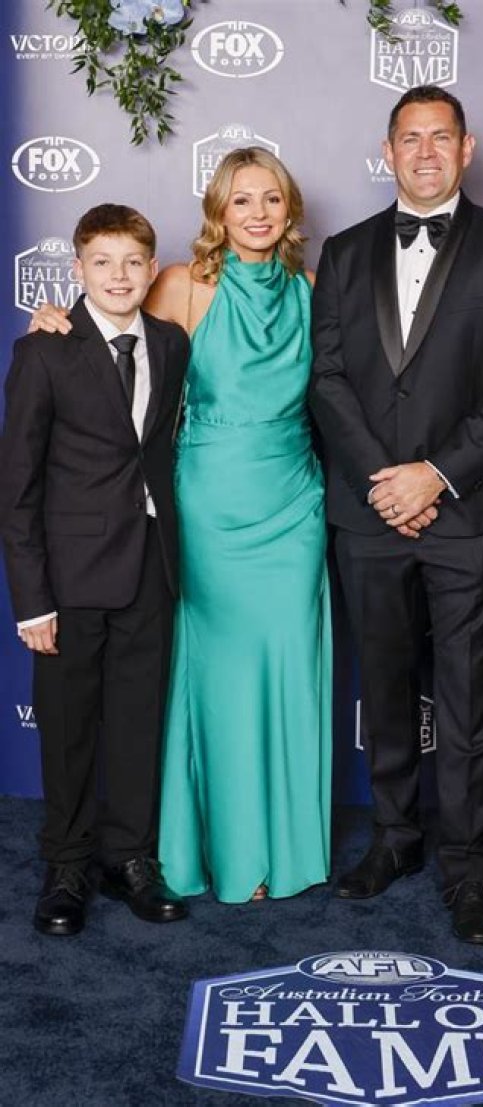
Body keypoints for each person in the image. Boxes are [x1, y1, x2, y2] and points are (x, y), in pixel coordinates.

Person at [26, 148, 332, 906]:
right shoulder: (179, 285)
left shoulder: (310, 291)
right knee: (218, 680)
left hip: (292, 506)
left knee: (286, 670)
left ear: (290, 210)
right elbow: (112, 357)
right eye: (240, 199)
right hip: (205, 510)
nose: (257, 213)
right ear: (217, 210)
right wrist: (55, 324)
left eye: (270, 199)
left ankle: (280, 850)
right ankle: (218, 849)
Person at [309, 85, 483, 944]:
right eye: (409, 138)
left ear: (467, 147)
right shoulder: (343, 251)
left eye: (439, 137)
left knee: (467, 695)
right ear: (387, 152)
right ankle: (395, 838)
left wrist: (436, 476)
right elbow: (328, 376)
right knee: (383, 686)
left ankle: (468, 865)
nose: (424, 152)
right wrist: (387, 480)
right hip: (369, 508)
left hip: (469, 512)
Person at [0, 204, 190, 936]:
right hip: (70, 578)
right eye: (103, 262)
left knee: (139, 724)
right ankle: (67, 865)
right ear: (77, 269)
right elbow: (17, 485)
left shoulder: (170, 343)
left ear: (152, 268)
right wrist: (32, 599)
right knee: (70, 729)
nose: (119, 275)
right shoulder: (43, 351)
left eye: (133, 262)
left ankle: (130, 856)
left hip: (151, 566)